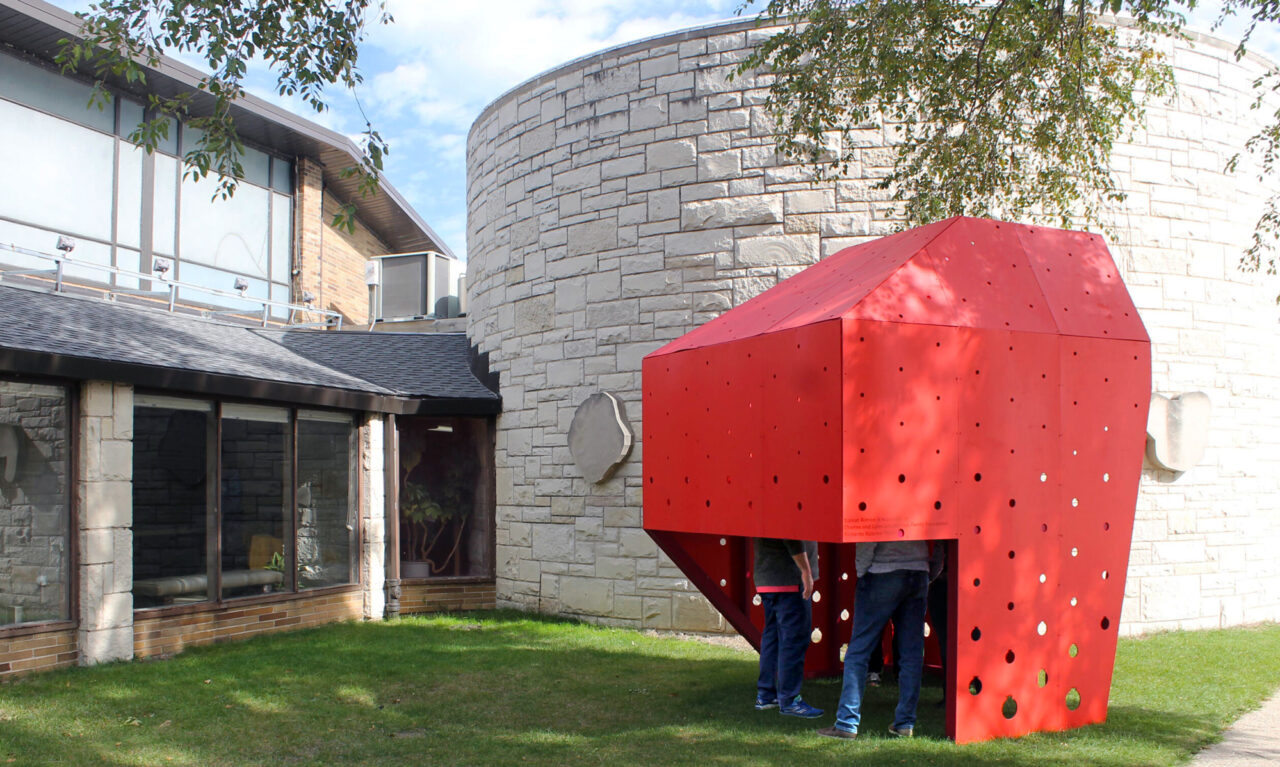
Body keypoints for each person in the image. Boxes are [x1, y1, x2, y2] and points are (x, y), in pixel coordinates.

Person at [818, 540, 943, 740]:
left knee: (859, 650)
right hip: (917, 569)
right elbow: (939, 538)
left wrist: (863, 572)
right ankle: (905, 722)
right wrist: (932, 568)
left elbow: (868, 532)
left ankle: (846, 722)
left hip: (881, 570)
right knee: (911, 654)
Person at [753, 537, 823, 718]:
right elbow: (790, 535)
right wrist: (806, 571)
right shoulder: (785, 508)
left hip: (767, 578)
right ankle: (790, 699)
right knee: (794, 640)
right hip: (789, 579)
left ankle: (766, 695)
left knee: (772, 637)